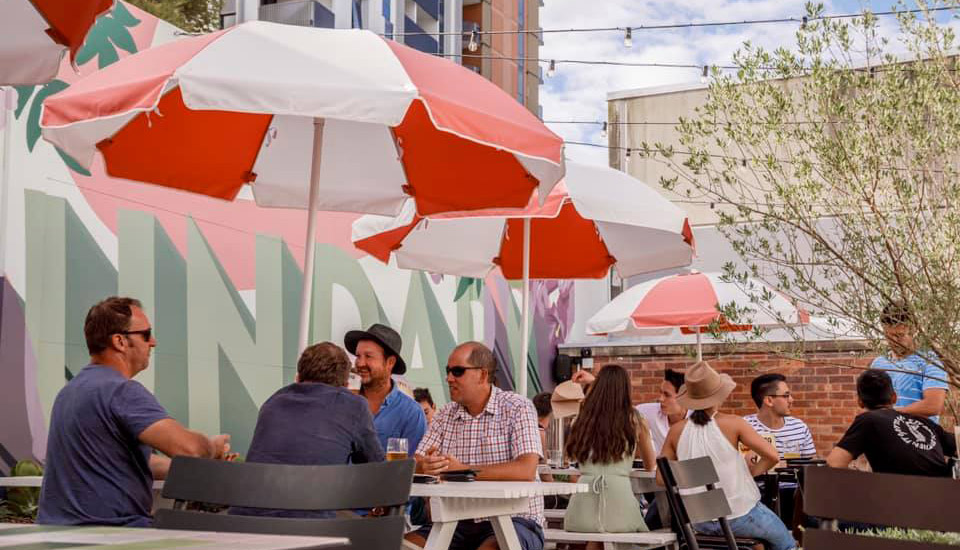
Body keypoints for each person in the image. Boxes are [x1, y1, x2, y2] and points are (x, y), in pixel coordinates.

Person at [38, 297, 231, 527]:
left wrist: (180, 468)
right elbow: (190, 449)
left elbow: (122, 461)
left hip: (60, 531)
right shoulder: (121, 391)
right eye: (146, 334)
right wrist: (212, 448)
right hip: (112, 534)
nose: (153, 342)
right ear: (120, 341)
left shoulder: (70, 392)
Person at [408, 342, 544, 550]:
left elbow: (526, 469)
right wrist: (426, 466)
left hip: (516, 518)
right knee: (402, 546)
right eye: (448, 371)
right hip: (454, 521)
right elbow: (416, 462)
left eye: (457, 371)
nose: (449, 378)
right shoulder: (445, 414)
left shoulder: (518, 407)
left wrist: (464, 471)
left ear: (482, 375)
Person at [231, 342, 384, 518]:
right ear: (345, 384)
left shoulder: (273, 402)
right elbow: (378, 470)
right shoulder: (354, 406)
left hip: (246, 523)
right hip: (310, 527)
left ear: (298, 377)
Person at [661, 361, 797, 550]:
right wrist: (752, 472)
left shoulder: (675, 431)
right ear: (719, 396)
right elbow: (773, 456)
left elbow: (661, 478)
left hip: (698, 522)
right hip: (740, 517)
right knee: (788, 544)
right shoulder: (734, 423)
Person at [563, 365, 656, 543]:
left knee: (598, 540)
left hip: (581, 508)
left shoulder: (581, 419)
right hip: (620, 504)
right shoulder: (635, 419)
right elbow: (650, 464)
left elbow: (571, 456)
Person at [827, 370, 957, 477]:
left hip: (901, 499)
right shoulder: (924, 422)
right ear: (894, 397)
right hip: (943, 496)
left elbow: (835, 463)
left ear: (860, 402)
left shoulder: (868, 420)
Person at [345, 324, 426, 455]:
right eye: (358, 356)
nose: (360, 363)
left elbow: (411, 468)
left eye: (368, 356)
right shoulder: (343, 404)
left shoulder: (411, 413)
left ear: (390, 362)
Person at [871, 303, 948, 421]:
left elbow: (933, 406)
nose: (894, 341)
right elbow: (871, 405)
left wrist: (892, 414)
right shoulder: (878, 364)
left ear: (913, 330)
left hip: (919, 437)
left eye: (900, 335)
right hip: (885, 435)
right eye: (889, 336)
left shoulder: (930, 361)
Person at [744, 374, 816, 459]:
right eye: (786, 396)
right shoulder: (744, 427)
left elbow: (810, 466)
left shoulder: (799, 427)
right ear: (769, 400)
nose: (791, 400)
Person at [635, 369, 688, 455]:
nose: (660, 399)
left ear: (683, 397)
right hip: (656, 467)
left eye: (667, 395)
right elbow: (629, 413)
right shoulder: (647, 412)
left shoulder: (696, 419)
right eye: (661, 393)